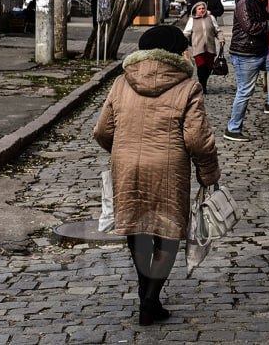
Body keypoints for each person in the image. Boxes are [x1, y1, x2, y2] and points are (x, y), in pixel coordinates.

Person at [93, 24, 220, 327]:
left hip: (127, 166)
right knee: (168, 232)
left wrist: (123, 150)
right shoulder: (187, 86)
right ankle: (150, 300)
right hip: (168, 168)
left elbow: (102, 131)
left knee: (137, 229)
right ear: (176, 52)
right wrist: (208, 173)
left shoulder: (122, 82)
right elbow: (197, 140)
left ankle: (145, 293)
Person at [224, 0, 269, 142]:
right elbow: (250, 27)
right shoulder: (244, 3)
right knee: (244, 92)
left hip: (259, 52)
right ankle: (233, 129)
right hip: (246, 55)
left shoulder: (258, 2)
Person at [186, 1, 220, 94]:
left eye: (203, 8)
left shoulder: (211, 18)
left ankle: (203, 83)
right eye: (199, 9)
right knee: (201, 68)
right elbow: (186, 33)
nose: (201, 10)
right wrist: (184, 43)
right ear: (195, 10)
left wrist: (221, 39)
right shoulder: (192, 20)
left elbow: (217, 31)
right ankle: (202, 86)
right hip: (198, 48)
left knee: (209, 68)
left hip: (210, 47)